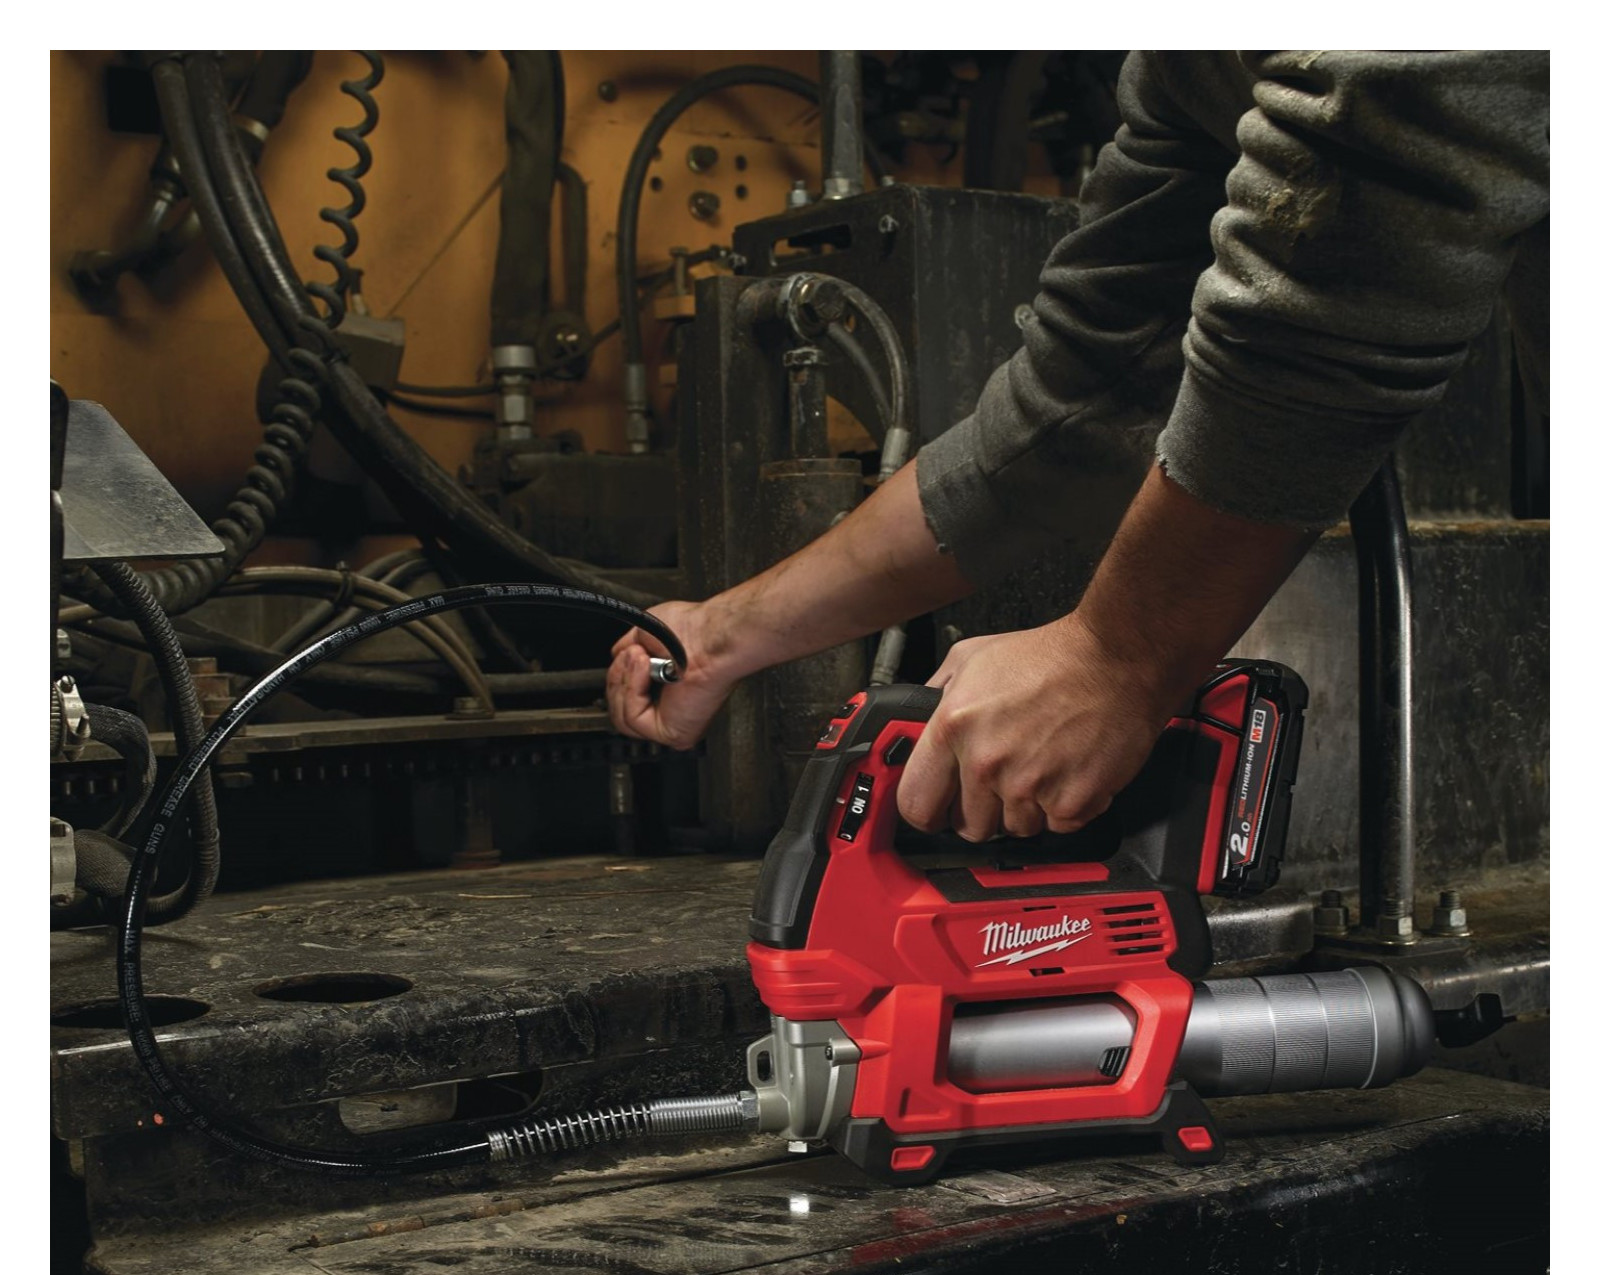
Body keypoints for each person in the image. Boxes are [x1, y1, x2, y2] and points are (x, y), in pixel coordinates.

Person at [607, 51, 1549, 842]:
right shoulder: (1187, 60)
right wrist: (722, 636)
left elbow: (1363, 237)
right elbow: (1075, 403)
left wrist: (1117, 655)